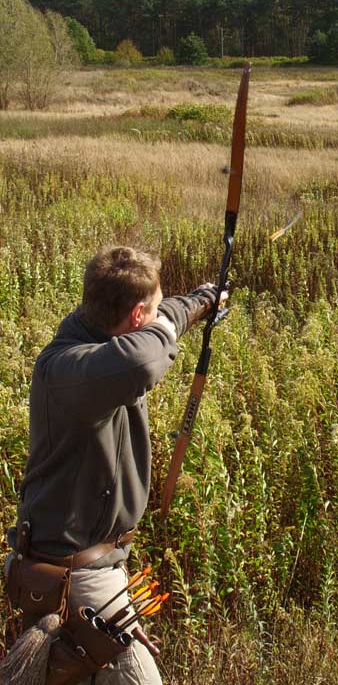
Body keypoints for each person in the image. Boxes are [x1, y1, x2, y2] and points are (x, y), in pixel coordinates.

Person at [11, 245, 225, 684]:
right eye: (151, 312)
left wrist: (203, 299)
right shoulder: (72, 370)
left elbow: (156, 323)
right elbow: (143, 358)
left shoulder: (95, 337)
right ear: (135, 318)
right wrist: (164, 323)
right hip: (78, 579)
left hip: (92, 568)